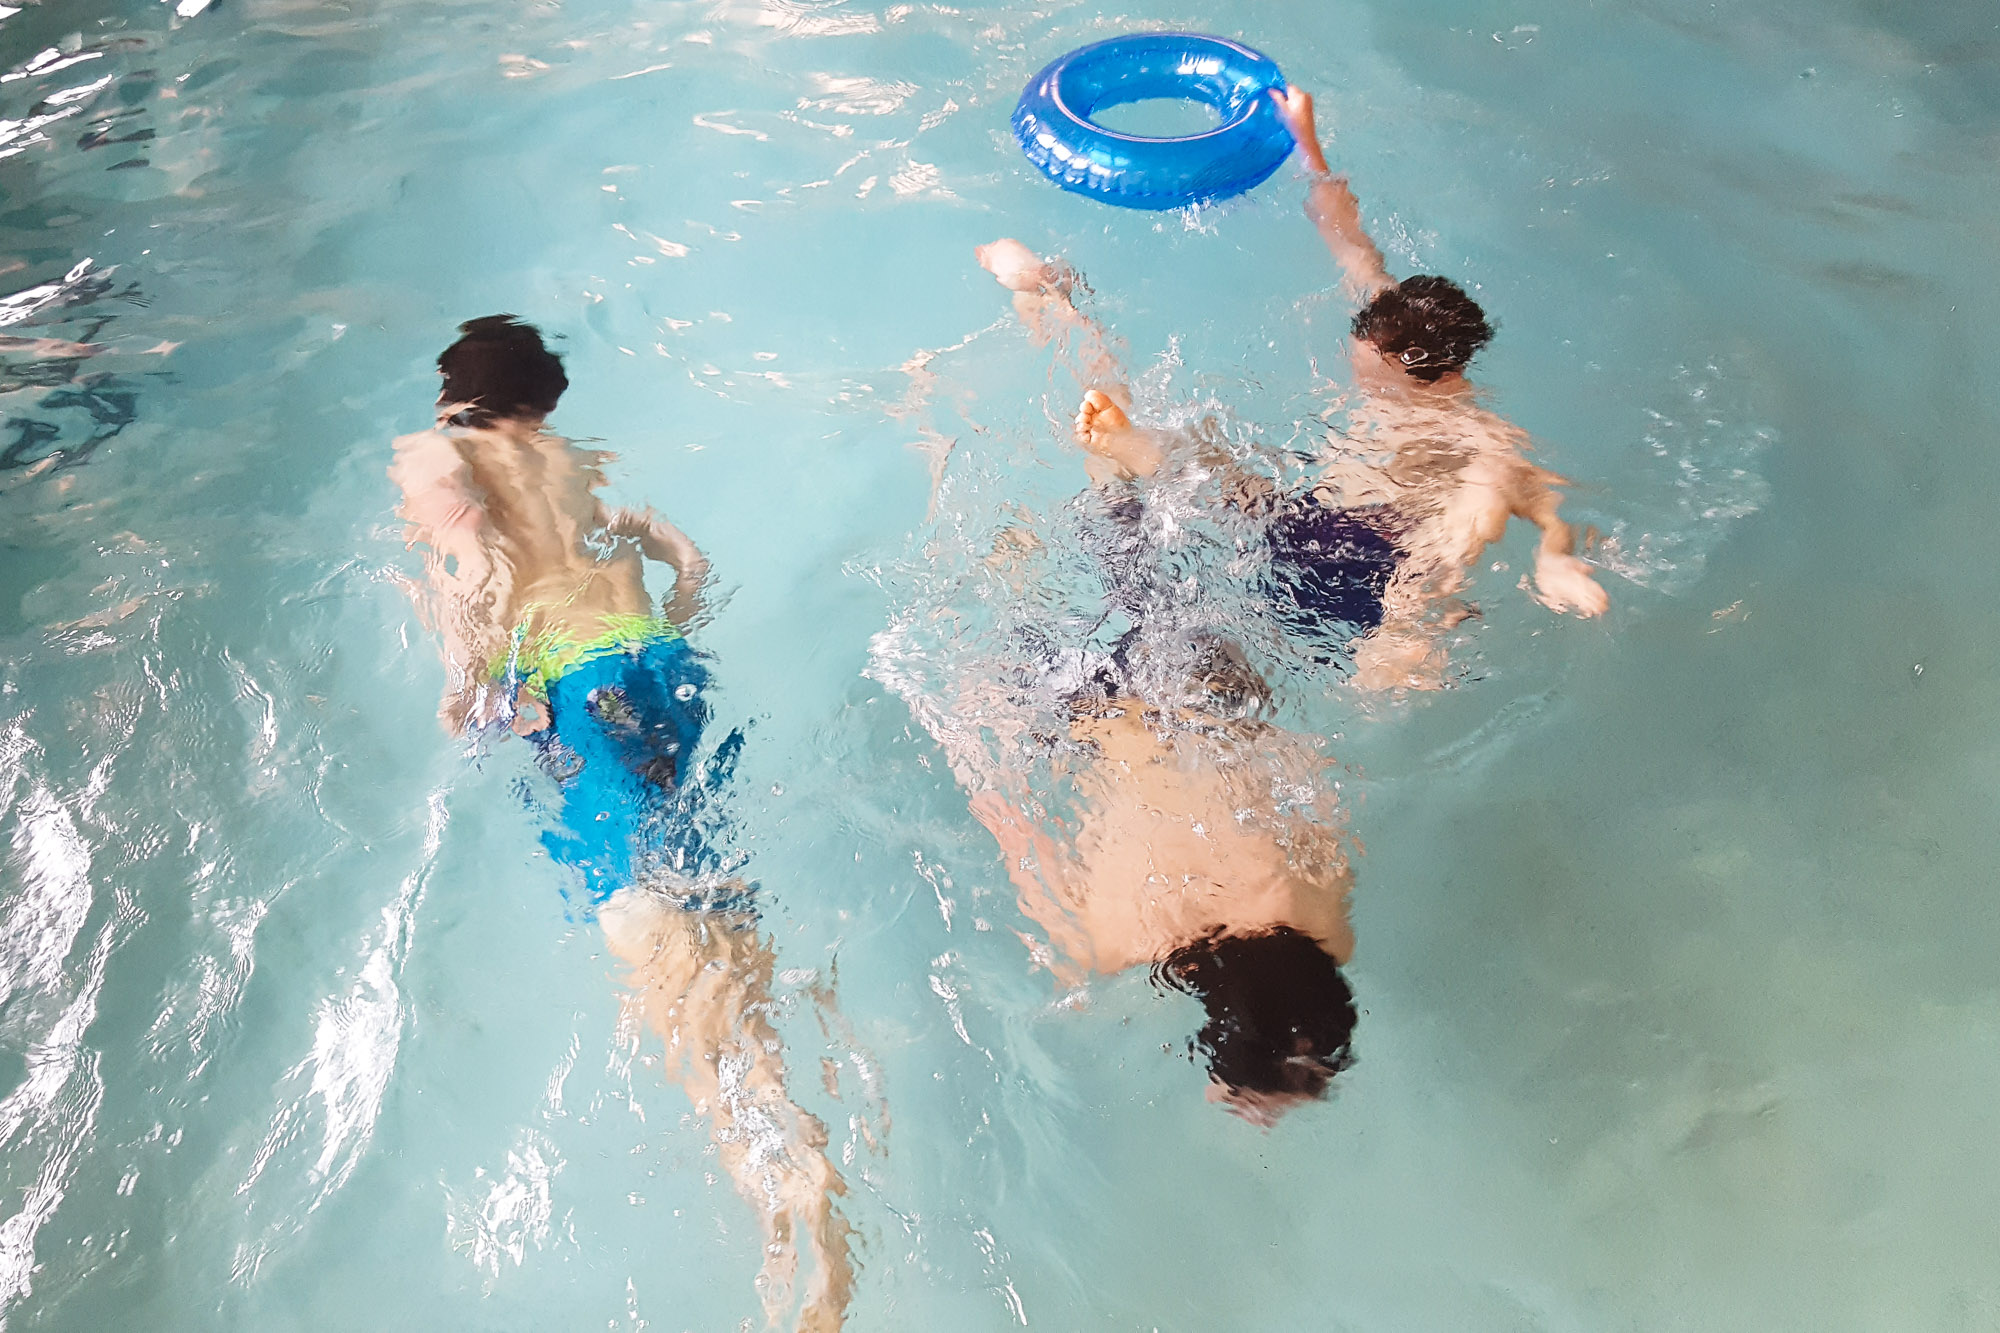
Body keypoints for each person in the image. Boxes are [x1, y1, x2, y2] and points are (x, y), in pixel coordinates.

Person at [390, 316, 852, 1332]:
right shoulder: (565, 460)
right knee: (709, 906)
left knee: (657, 959)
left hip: (582, 693)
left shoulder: (432, 452)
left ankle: (782, 1179)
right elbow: (684, 571)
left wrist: (466, 696)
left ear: (451, 392)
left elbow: (469, 570)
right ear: (540, 401)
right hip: (663, 673)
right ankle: (781, 1119)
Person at [979, 82, 1610, 690]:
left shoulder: (1474, 441)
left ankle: (1090, 359)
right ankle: (1068, 324)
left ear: (1412, 368)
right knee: (1193, 484)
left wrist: (1546, 563)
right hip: (1303, 519)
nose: (1350, 361)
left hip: (1359, 568)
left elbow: (1508, 514)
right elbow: (1344, 232)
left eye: (1365, 367)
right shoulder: (1396, 323)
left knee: (1213, 485)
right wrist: (1306, 142)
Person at [953, 252, 1362, 1125]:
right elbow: (1003, 808)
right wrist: (981, 705)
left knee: (1135, 538)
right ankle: (938, 419)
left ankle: (1064, 313)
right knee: (1034, 588)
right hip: (1097, 706)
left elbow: (1313, 771)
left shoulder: (1326, 924)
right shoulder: (1111, 942)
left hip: (1214, 678)